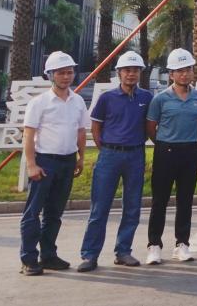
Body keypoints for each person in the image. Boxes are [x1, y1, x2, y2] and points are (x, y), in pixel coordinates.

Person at [77, 50, 151, 272]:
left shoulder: (146, 98)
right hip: (109, 155)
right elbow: (96, 127)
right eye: (127, 70)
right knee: (100, 207)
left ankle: (123, 251)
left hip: (136, 155)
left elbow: (149, 126)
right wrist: (107, 148)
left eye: (135, 70)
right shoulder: (106, 98)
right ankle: (90, 255)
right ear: (119, 72)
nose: (131, 74)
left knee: (132, 206)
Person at [19, 51, 90, 276]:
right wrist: (31, 164)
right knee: (33, 213)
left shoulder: (77, 101)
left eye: (69, 72)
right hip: (45, 161)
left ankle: (48, 255)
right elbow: (28, 135)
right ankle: (29, 259)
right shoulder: (39, 103)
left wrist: (80, 158)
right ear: (50, 75)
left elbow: (81, 131)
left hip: (67, 162)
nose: (66, 77)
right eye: (60, 73)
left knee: (54, 213)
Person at [145, 48, 197, 264]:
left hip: (189, 151)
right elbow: (151, 127)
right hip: (166, 152)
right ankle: (154, 245)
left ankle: (182, 244)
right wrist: (165, 142)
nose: (184, 74)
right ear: (171, 74)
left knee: (185, 200)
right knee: (159, 201)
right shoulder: (160, 99)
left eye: (188, 69)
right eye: (179, 70)